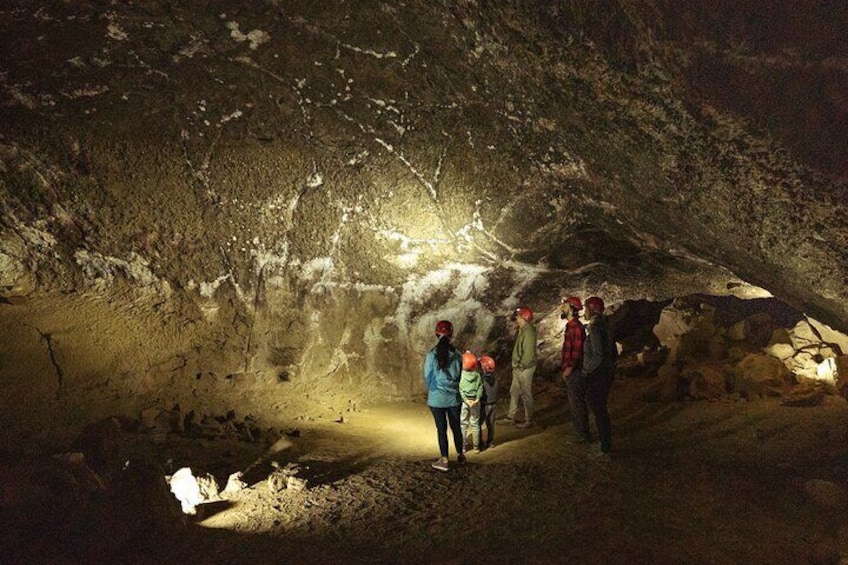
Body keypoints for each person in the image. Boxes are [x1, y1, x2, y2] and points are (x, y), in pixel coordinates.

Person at [423, 320, 465, 471]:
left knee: (441, 429)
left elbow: (427, 378)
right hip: (454, 398)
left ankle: (445, 460)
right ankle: (460, 455)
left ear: (436, 333)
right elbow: (461, 376)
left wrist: (435, 389)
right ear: (451, 334)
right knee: (456, 428)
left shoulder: (431, 355)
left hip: (436, 399)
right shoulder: (458, 354)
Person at [581, 296, 617, 455]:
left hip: (598, 374)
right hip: (606, 372)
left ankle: (605, 448)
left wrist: (586, 370)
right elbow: (613, 352)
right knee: (601, 409)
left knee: (599, 410)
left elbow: (597, 355)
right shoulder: (605, 326)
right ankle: (605, 445)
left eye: (586, 308)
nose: (585, 311)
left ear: (591, 309)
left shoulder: (596, 329)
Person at [498, 306, 537, 429]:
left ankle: (528, 420)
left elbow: (529, 352)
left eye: (518, 316)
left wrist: (522, 366)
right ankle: (510, 417)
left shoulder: (529, 331)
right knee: (514, 391)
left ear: (523, 317)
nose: (516, 318)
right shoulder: (523, 329)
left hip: (524, 368)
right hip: (519, 367)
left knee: (526, 394)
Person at [560, 296, 590, 443]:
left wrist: (569, 368)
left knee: (577, 404)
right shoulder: (571, 326)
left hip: (575, 372)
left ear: (572, 309)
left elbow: (577, 351)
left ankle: (582, 435)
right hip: (572, 371)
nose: (562, 308)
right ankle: (581, 433)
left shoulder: (577, 327)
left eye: (565, 306)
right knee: (575, 404)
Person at [459, 351, 484, 453]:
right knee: (475, 424)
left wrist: (465, 400)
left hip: (465, 402)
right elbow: (480, 387)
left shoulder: (461, 375)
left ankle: (463, 446)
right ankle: (476, 447)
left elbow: (460, 389)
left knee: (463, 423)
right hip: (475, 402)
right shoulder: (477, 375)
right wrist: (477, 399)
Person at [479, 355, 498, 449]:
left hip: (485, 405)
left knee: (478, 424)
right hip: (494, 404)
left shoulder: (482, 380)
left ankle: (480, 444)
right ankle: (490, 442)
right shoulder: (495, 379)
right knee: (490, 425)